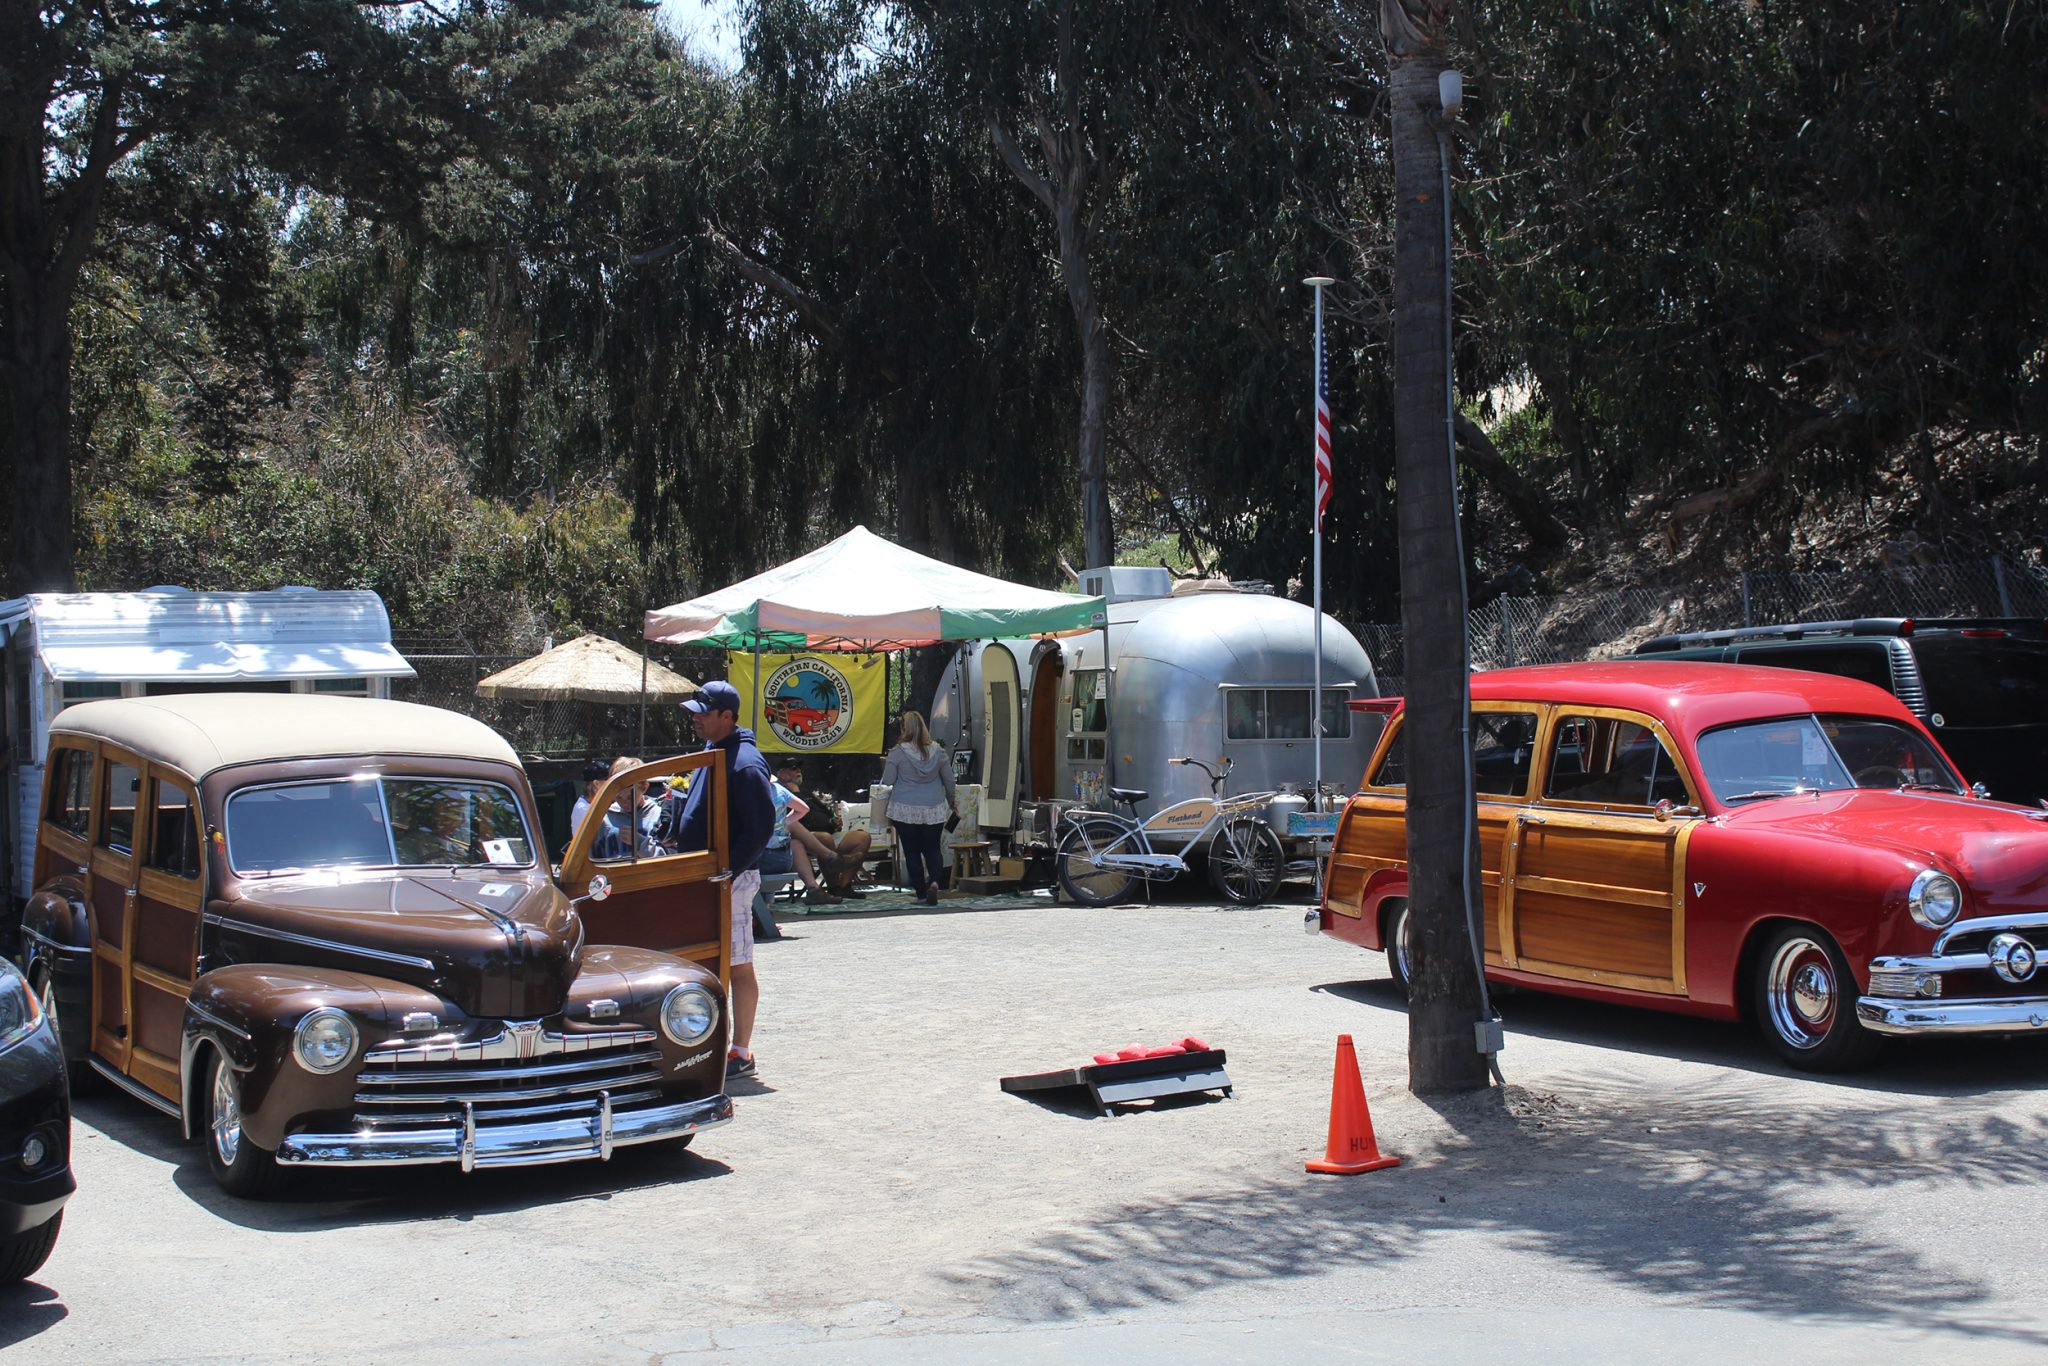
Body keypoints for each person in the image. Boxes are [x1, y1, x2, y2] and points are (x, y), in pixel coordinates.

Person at [671, 680, 776, 1080]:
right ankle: (710, 1045)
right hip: (710, 876)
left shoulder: (745, 762)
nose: (695, 717)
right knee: (715, 963)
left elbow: (761, 826)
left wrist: (728, 871)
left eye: (703, 711)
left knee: (737, 965)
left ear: (726, 717)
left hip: (729, 878)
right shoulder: (715, 751)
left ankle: (740, 1052)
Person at [877, 710, 955, 906]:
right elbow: (949, 780)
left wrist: (887, 764)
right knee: (932, 849)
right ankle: (935, 882)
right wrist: (951, 800)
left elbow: (888, 780)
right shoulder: (939, 751)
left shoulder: (897, 752)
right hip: (934, 807)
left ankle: (921, 894)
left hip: (904, 808)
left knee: (912, 852)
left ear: (905, 728)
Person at [771, 757, 873, 900]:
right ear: (781, 774)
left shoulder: (805, 790)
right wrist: (795, 792)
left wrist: (832, 819)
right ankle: (834, 886)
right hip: (802, 837)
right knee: (825, 838)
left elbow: (819, 810)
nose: (798, 771)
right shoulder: (777, 791)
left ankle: (844, 885)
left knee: (862, 837)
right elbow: (790, 818)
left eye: (799, 768)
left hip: (829, 833)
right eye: (793, 768)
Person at [760, 768, 841, 906]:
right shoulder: (779, 789)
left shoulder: (750, 793)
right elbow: (804, 809)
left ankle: (765, 907)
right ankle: (816, 884)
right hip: (782, 858)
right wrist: (783, 822)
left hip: (763, 857)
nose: (797, 771)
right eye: (792, 769)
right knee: (795, 840)